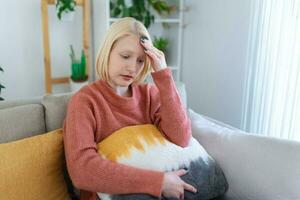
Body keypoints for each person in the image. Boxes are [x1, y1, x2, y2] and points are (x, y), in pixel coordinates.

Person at [63, 17, 197, 200]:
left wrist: (163, 75)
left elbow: (182, 138)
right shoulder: (84, 102)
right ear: (107, 52)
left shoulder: (149, 95)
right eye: (125, 56)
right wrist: (158, 182)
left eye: (141, 61)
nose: (132, 68)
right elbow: (82, 170)